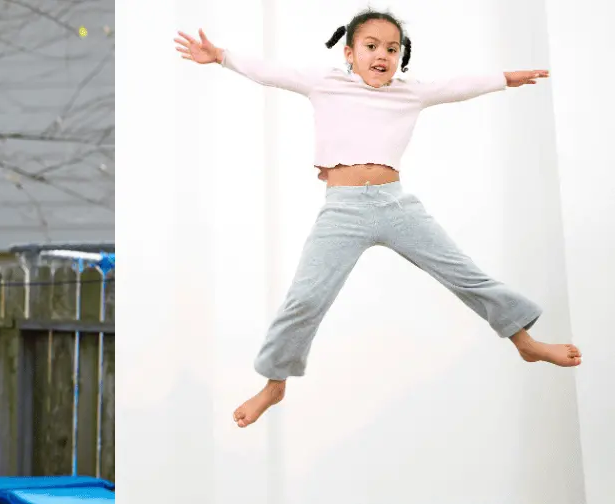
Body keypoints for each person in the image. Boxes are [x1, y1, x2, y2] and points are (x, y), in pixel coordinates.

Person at [173, 9, 582, 429]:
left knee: (464, 274)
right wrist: (221, 55)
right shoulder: (325, 83)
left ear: (401, 57)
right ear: (349, 53)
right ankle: (275, 384)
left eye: (392, 48)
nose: (382, 55)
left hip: (395, 205)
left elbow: (458, 86)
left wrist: (505, 79)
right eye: (371, 47)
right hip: (343, 210)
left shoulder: (410, 92)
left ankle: (526, 343)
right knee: (306, 299)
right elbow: (272, 72)